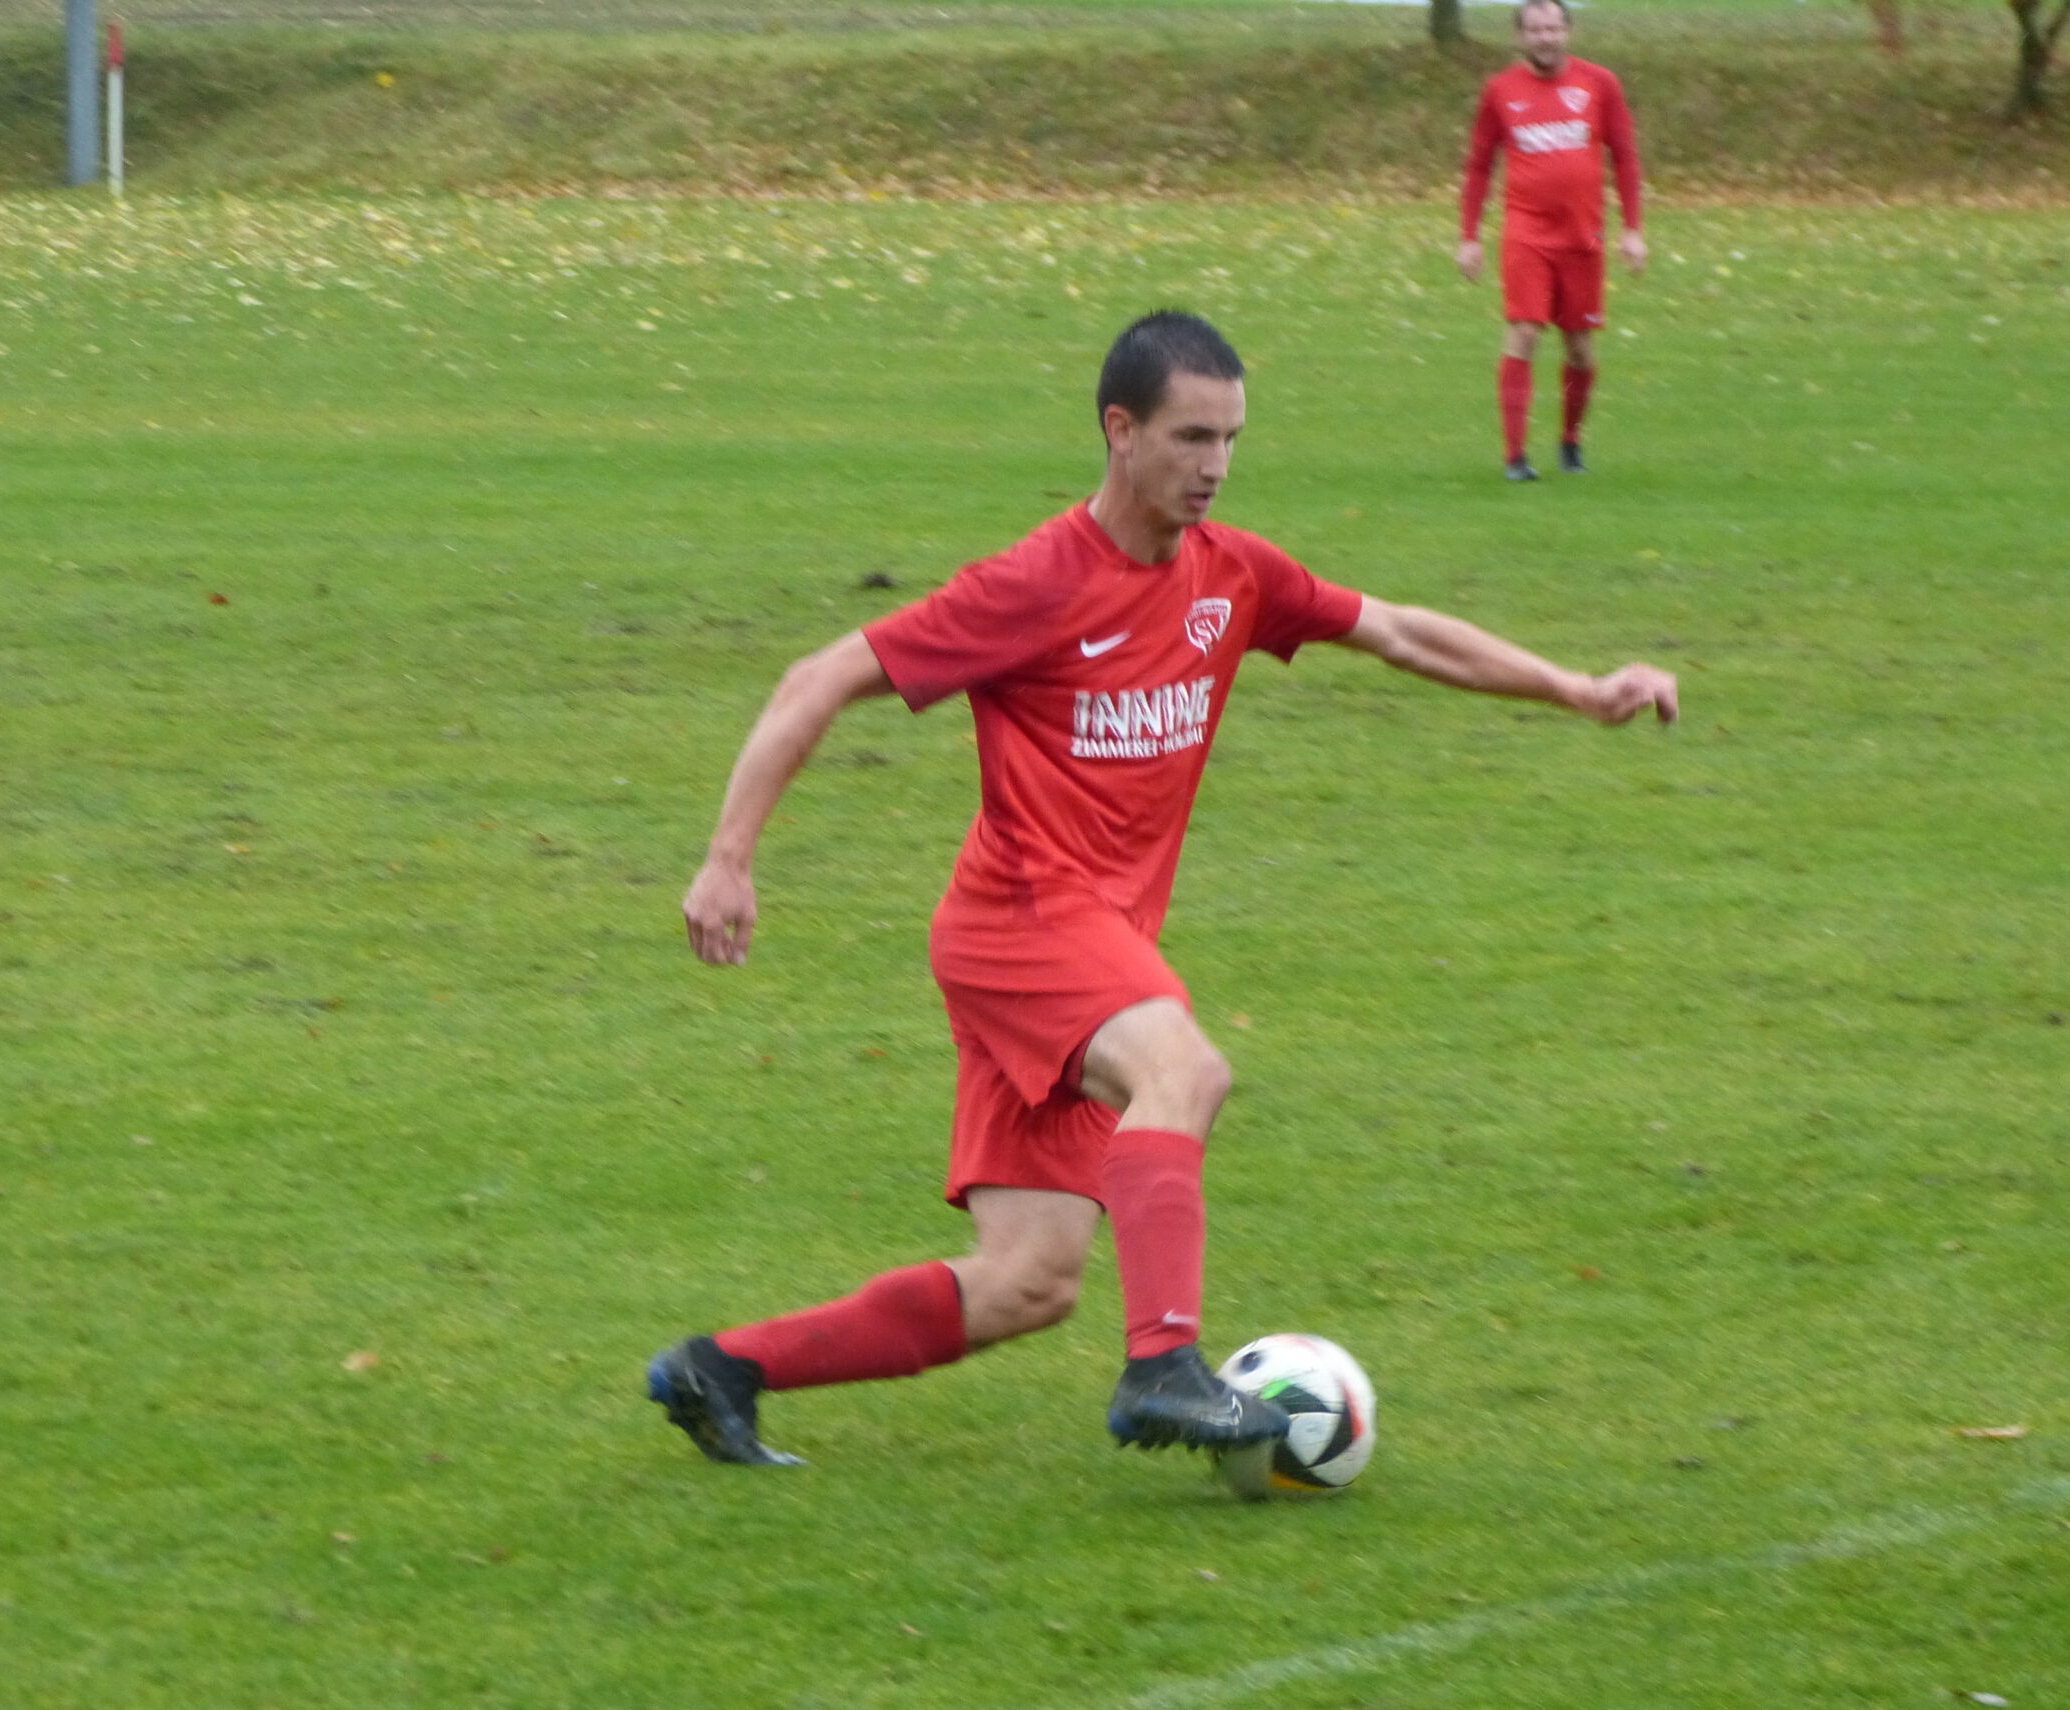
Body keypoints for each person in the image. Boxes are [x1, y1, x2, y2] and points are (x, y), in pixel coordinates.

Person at [646, 310, 1677, 1467]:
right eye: (1191, 437)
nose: (1215, 467)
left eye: (1231, 439)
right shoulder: (1033, 584)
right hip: (1025, 917)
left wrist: (1577, 689)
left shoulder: (1231, 575)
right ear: (1119, 430)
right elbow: (818, 675)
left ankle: (722, 1371)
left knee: (1028, 1282)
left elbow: (1398, 633)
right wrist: (728, 857)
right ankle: (1163, 1368)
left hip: (1074, 938)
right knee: (1185, 1069)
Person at [1457, 0, 1647, 482]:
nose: (1545, 37)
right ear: (1520, 37)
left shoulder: (1599, 85)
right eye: (1535, 30)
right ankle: (1516, 457)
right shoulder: (1501, 91)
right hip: (1527, 233)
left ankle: (1570, 441)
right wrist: (1469, 237)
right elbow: (1480, 165)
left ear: (1568, 31)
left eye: (1553, 28)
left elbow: (1624, 157)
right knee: (1523, 331)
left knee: (1580, 347)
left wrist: (1632, 229)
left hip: (1583, 236)